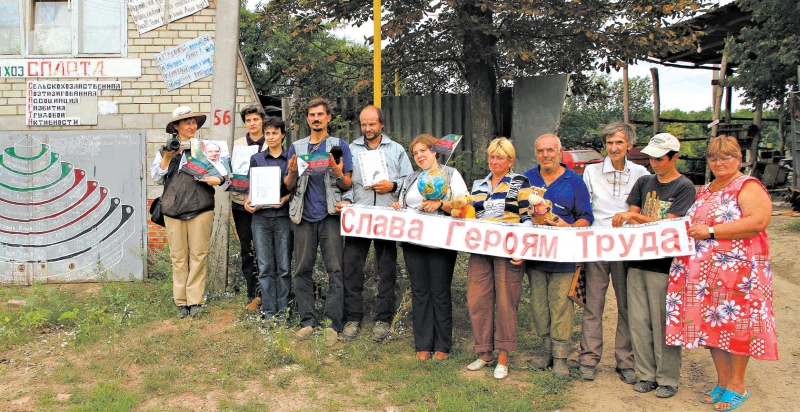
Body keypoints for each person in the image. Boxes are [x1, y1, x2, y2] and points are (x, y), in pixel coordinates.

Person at [666, 136, 777, 411]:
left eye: (726, 157)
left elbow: (758, 221)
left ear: (739, 159)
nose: (719, 162)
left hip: (740, 274)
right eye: (714, 158)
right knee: (713, 327)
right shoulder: (706, 189)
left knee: (739, 327)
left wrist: (712, 231)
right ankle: (723, 381)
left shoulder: (747, 186)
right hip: (708, 277)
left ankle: (738, 385)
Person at [612, 132, 696, 399]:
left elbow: (668, 225)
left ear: (674, 158)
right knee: (638, 321)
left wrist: (633, 217)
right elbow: (633, 213)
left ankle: (668, 377)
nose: (654, 163)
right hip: (637, 261)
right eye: (651, 158)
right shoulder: (644, 181)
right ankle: (646, 374)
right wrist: (632, 217)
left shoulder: (685, 187)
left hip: (666, 265)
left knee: (663, 323)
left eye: (660, 159)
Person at [578, 122, 649, 383]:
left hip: (627, 246)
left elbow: (642, 209)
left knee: (626, 305)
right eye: (609, 143)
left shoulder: (641, 172)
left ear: (629, 144)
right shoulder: (592, 171)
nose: (614, 147)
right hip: (598, 244)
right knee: (593, 305)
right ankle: (588, 359)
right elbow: (586, 207)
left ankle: (625, 361)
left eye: (619, 142)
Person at [338, 105, 414, 342]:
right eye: (363, 124)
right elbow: (348, 183)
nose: (367, 128)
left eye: (372, 124)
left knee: (386, 270)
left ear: (382, 124)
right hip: (358, 216)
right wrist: (346, 200)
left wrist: (392, 186)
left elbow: (410, 181)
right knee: (351, 267)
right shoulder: (350, 148)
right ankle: (353, 317)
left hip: (385, 218)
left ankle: (382, 319)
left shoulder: (396, 150)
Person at [390, 134, 468, 361]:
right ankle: (422, 344)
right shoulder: (411, 179)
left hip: (441, 241)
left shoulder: (450, 174)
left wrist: (441, 204)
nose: (419, 156)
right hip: (413, 242)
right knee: (420, 291)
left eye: (423, 150)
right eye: (415, 153)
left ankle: (442, 344)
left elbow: (464, 205)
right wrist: (398, 207)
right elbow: (405, 204)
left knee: (439, 291)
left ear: (435, 151)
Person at [523, 133, 593, 377]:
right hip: (535, 255)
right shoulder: (527, 178)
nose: (546, 155)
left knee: (561, 305)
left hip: (563, 255)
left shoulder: (574, 180)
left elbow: (587, 216)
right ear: (536, 153)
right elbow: (516, 212)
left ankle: (561, 357)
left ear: (560, 151)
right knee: (539, 306)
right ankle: (546, 352)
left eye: (550, 150)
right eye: (541, 151)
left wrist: (569, 229)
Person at [285, 98, 353, 346]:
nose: (316, 118)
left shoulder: (339, 146)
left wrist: (336, 172)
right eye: (312, 115)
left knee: (335, 270)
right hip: (302, 216)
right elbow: (289, 186)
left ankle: (332, 325)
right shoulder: (296, 147)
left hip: (330, 216)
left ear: (328, 118)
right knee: (302, 269)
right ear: (307, 119)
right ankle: (307, 322)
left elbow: (347, 183)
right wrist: (292, 171)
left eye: (320, 114)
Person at [466, 137, 532, 380]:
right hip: (481, 250)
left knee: (506, 301)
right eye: (492, 157)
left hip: (508, 250)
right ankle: (484, 352)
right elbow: (473, 215)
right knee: (477, 299)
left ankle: (503, 355)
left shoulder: (519, 182)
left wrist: (521, 249)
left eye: (500, 157)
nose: (495, 161)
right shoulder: (478, 184)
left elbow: (527, 217)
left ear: (510, 160)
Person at [150, 106, 225, 318]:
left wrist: (217, 179)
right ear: (176, 127)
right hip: (173, 209)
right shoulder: (165, 149)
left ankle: (195, 301)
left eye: (194, 123)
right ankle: (181, 301)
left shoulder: (206, 148)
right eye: (186, 123)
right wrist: (167, 155)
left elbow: (223, 173)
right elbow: (156, 176)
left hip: (200, 207)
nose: (192, 126)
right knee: (178, 257)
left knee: (199, 255)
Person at [245, 117, 292, 322]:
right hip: (261, 218)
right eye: (268, 133)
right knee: (264, 267)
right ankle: (268, 310)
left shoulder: (290, 158)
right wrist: (248, 203)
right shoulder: (257, 159)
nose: (271, 137)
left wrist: (285, 199)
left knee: (283, 267)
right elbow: (252, 186)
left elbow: (296, 187)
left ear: (282, 134)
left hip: (282, 217)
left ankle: (283, 311)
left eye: (275, 133)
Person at [232, 105, 267, 310]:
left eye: (256, 119)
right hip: (240, 203)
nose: (252, 123)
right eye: (248, 120)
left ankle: (267, 292)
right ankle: (251, 292)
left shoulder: (270, 142)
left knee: (264, 249)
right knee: (247, 249)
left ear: (262, 121)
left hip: (264, 204)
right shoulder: (238, 144)